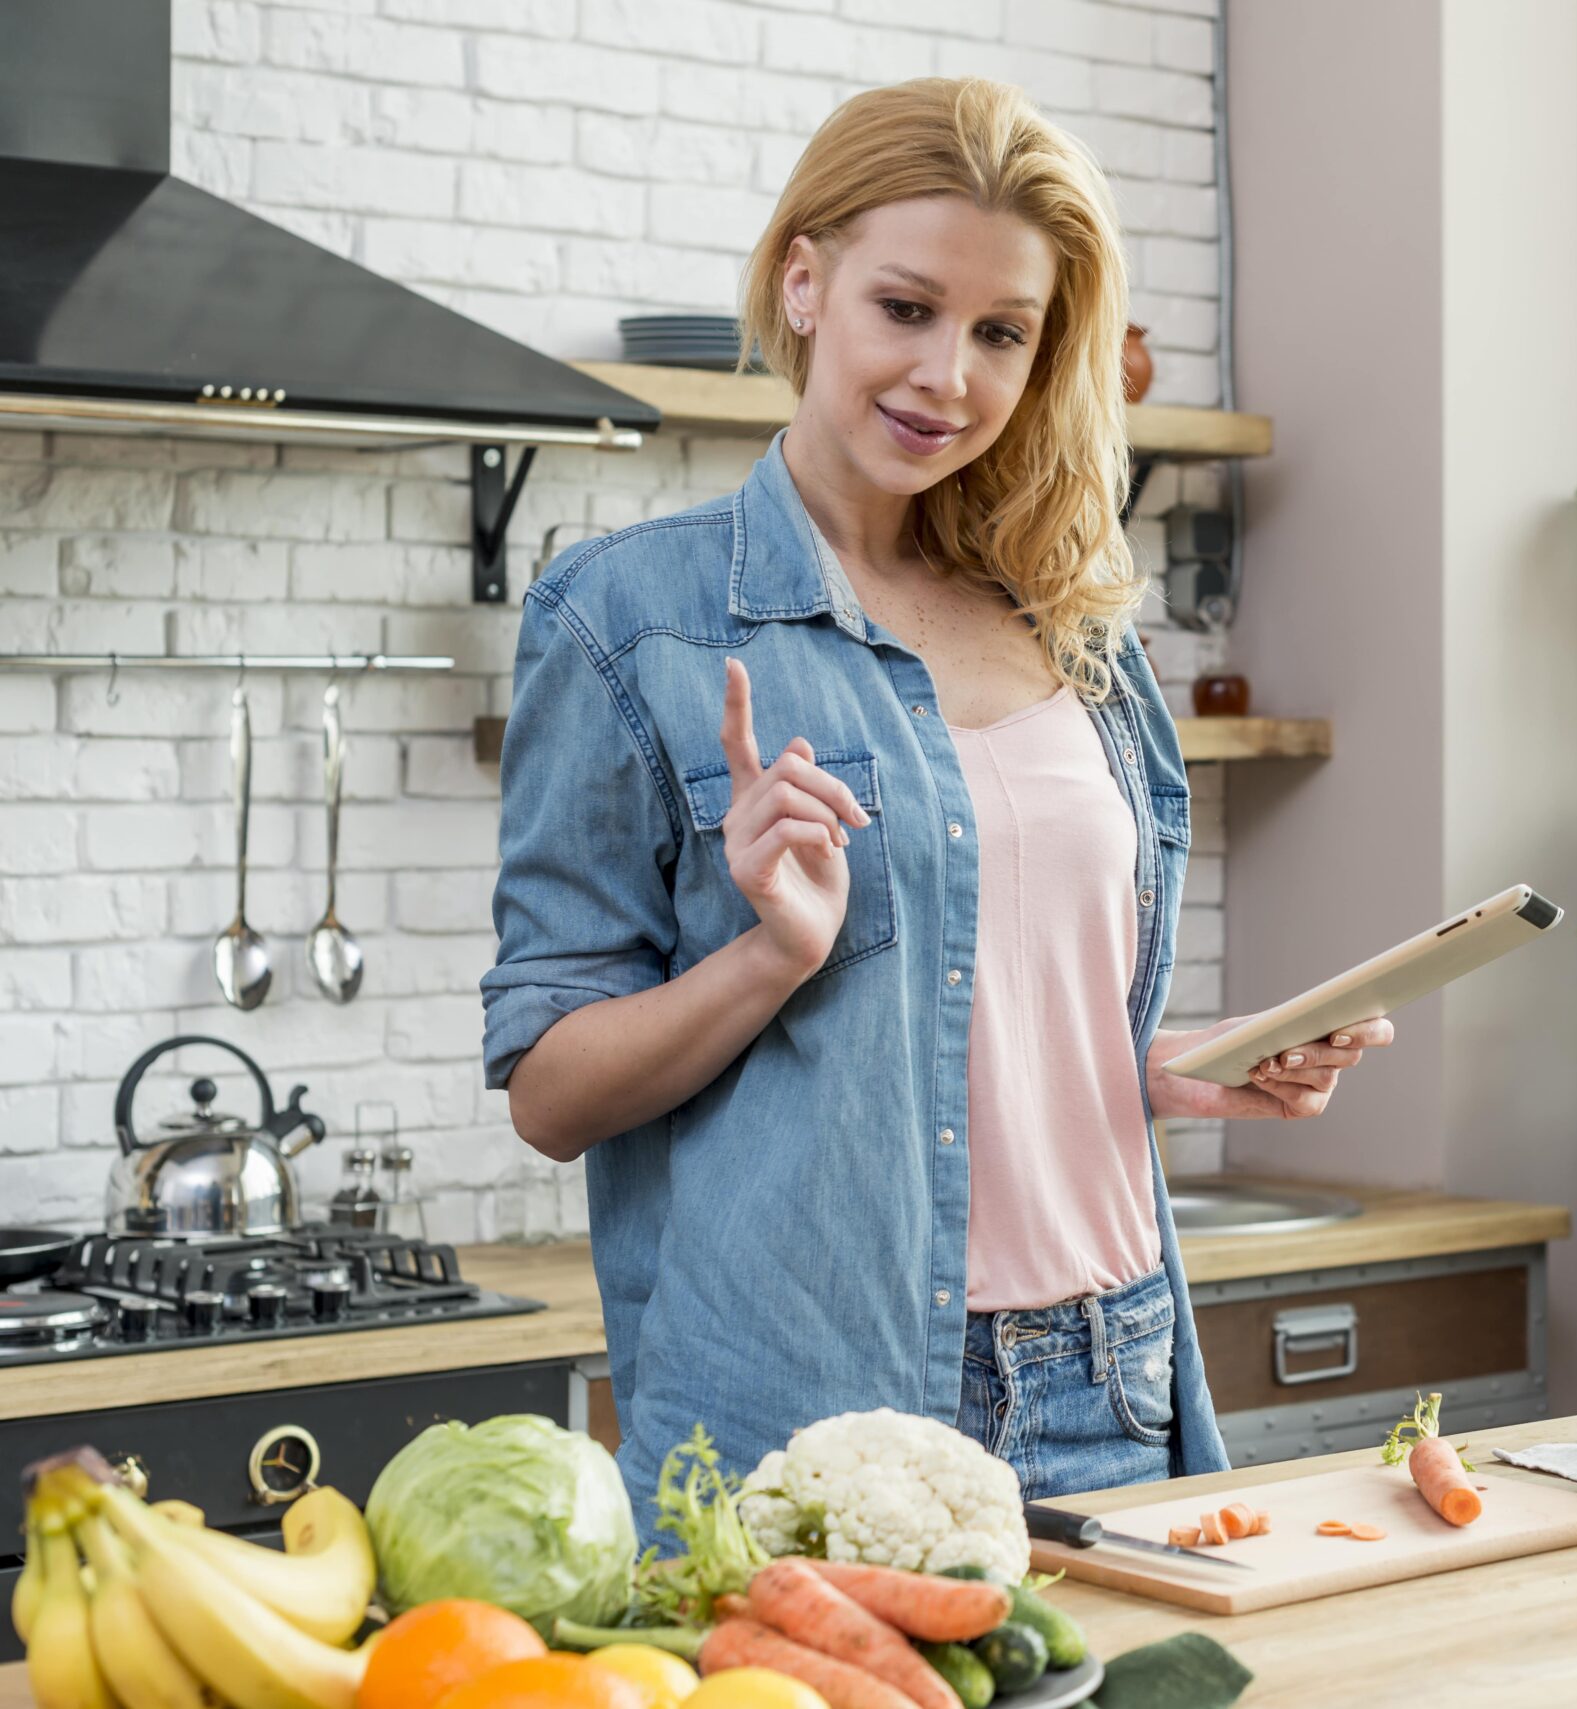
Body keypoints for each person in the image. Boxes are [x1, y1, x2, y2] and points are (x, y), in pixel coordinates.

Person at [479, 77, 1391, 1521]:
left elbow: (992, 1013)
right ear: (803, 281)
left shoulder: (1074, 620)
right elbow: (548, 1091)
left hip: (1117, 1377)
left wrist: (1170, 1066)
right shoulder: (629, 618)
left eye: (1000, 333)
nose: (947, 376)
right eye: (906, 308)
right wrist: (772, 952)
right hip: (815, 1418)